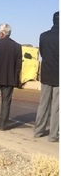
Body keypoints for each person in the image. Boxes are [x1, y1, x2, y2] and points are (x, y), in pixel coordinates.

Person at [34, 11, 59, 142]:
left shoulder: (43, 36)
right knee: (56, 107)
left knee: (43, 104)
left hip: (47, 73)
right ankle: (53, 135)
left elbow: (42, 53)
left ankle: (38, 131)